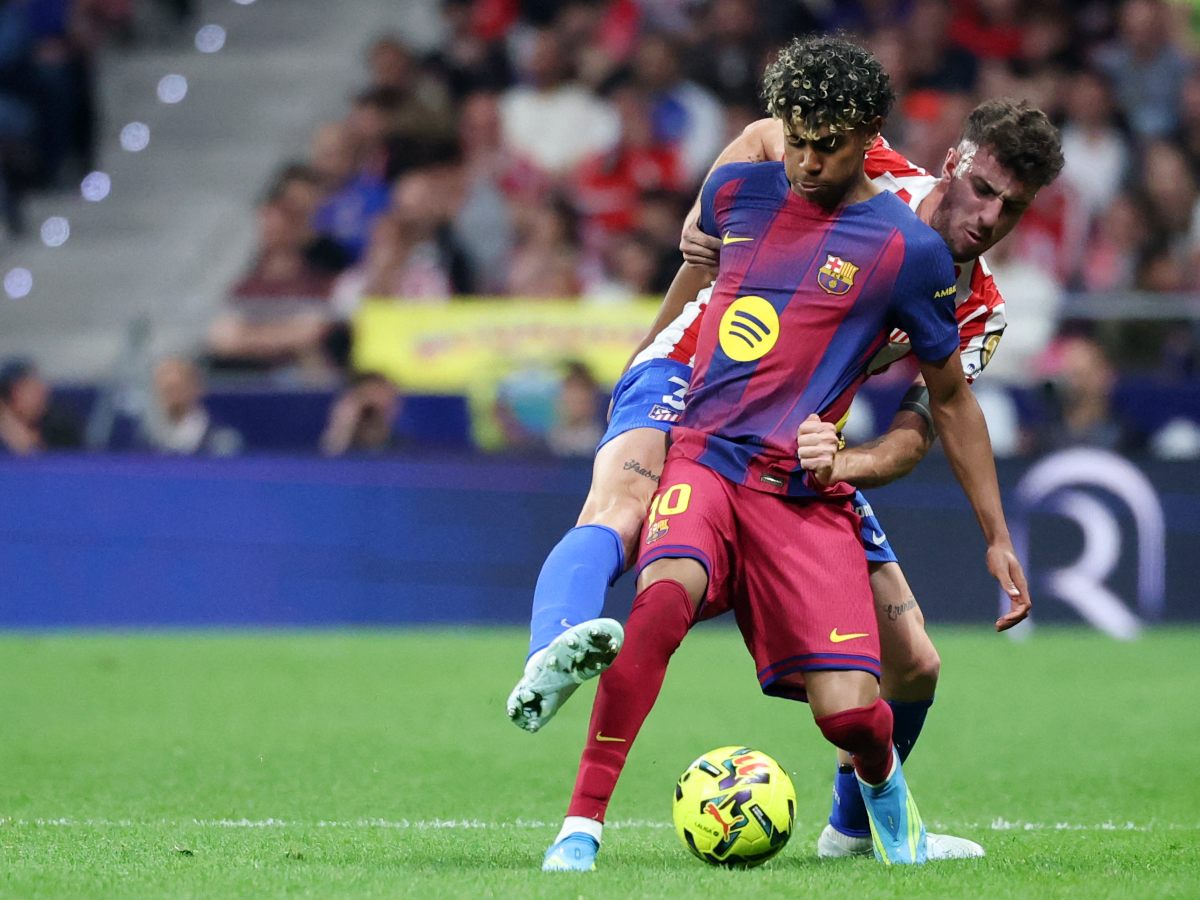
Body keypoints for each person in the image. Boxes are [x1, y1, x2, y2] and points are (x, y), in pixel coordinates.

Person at [514, 95, 1062, 861]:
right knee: (626, 509)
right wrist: (703, 225)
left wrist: (852, 465)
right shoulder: (874, 171)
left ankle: (852, 829)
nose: (990, 216)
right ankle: (555, 651)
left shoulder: (979, 311)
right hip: (690, 367)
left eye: (1014, 208)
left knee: (914, 662)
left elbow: (924, 424)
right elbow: (771, 131)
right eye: (984, 190)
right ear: (954, 164)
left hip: (784, 442)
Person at [139, 358, 242, 456]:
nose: (171, 397)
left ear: (196, 387)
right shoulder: (145, 439)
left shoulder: (220, 439)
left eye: (176, 388)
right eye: (166, 390)